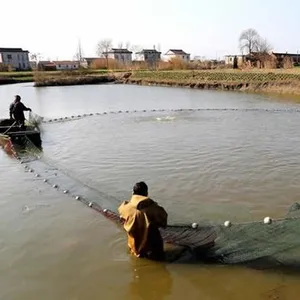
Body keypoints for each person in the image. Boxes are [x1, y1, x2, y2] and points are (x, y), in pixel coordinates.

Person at [118, 182, 168, 261]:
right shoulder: (152, 208)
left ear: (133, 193)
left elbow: (121, 216)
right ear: (146, 193)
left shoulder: (125, 207)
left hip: (134, 246)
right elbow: (163, 219)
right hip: (152, 248)